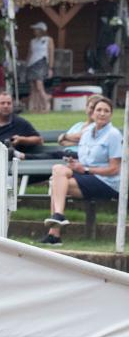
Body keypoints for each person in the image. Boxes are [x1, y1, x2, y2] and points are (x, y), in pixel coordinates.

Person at [42, 97, 122, 245]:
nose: (102, 113)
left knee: (56, 183)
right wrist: (76, 164)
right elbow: (84, 160)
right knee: (57, 170)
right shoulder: (87, 132)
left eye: (106, 111)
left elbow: (115, 169)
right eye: (99, 110)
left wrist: (84, 169)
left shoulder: (114, 135)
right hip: (87, 175)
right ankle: (58, 217)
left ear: (111, 115)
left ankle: (54, 233)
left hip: (107, 182)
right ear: (92, 113)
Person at [26, 22, 54, 113]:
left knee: (39, 85)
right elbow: (30, 53)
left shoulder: (48, 40)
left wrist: (50, 67)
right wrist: (26, 64)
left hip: (41, 62)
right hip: (32, 64)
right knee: (33, 87)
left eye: (37, 29)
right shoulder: (32, 41)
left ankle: (46, 103)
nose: (35, 31)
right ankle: (35, 107)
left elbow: (51, 53)